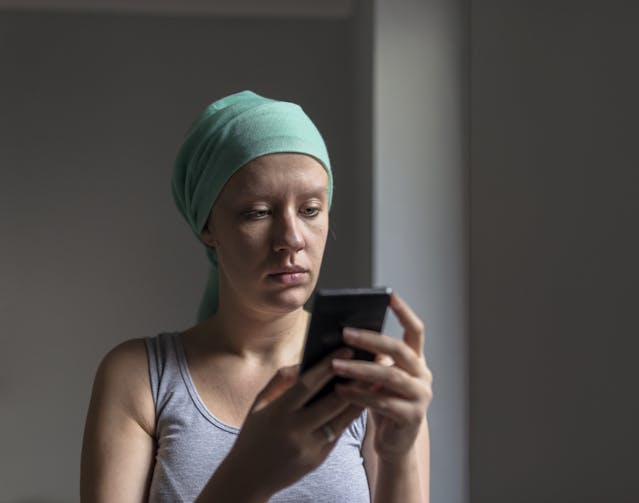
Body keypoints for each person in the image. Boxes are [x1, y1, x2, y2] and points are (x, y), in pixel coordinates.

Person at [80, 90, 432, 502]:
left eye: (310, 209)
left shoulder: (368, 377)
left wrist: (399, 455)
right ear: (207, 227)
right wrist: (248, 475)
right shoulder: (141, 377)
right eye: (258, 212)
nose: (291, 239)